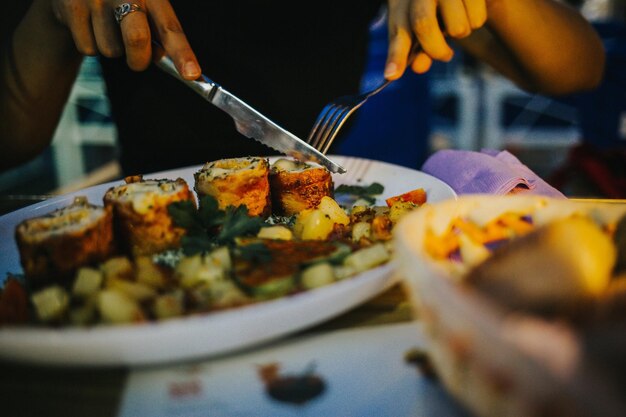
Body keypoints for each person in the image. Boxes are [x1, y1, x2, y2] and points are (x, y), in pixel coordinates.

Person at [0, 0, 605, 175]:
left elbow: (580, 68)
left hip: (323, 213)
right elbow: (13, 141)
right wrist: (54, 17)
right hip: (152, 222)